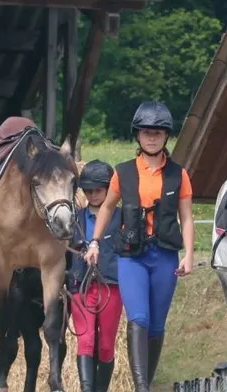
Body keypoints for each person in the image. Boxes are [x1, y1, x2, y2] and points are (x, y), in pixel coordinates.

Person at [82, 100, 197, 392]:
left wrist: (189, 255)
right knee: (139, 318)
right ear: (137, 135)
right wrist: (94, 241)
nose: (152, 136)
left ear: (165, 136)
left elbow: (186, 217)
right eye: (146, 131)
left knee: (156, 326)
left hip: (165, 257)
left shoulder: (179, 175)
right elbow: (107, 208)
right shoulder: (123, 172)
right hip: (131, 257)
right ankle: (142, 388)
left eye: (158, 132)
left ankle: (145, 382)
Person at [66, 160, 121, 392]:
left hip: (112, 284)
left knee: (106, 344)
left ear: (109, 189)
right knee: (86, 340)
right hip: (81, 283)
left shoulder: (122, 217)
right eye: (88, 190)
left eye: (98, 190)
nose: (93, 194)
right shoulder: (74, 218)